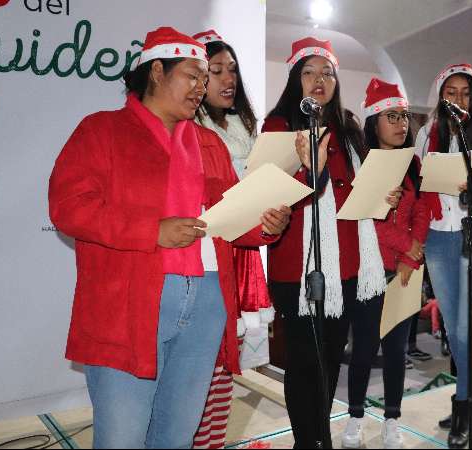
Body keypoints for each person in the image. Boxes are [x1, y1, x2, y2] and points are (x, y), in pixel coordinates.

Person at [48, 27, 291, 449]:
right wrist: (151, 230)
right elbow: (69, 207)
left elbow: (230, 218)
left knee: (178, 435)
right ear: (157, 71)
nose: (202, 87)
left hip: (207, 300)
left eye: (205, 78)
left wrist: (267, 222)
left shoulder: (208, 143)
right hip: (130, 302)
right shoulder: (101, 130)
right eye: (193, 76)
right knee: (121, 437)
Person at [262, 37, 401, 448]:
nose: (319, 80)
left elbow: (354, 194)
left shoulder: (349, 127)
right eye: (308, 72)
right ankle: (309, 442)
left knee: (329, 365)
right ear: (294, 79)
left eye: (327, 73)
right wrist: (310, 169)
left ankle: (319, 437)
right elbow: (275, 197)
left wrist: (381, 197)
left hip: (348, 267)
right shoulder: (279, 126)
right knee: (305, 366)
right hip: (297, 267)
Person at [190, 30, 275, 450]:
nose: (228, 79)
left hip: (244, 254)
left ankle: (214, 443)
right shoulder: (189, 129)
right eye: (214, 71)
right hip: (208, 256)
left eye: (232, 70)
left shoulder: (246, 126)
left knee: (227, 371)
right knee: (197, 372)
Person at [414, 63, 472, 449]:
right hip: (437, 237)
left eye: (465, 93)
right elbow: (416, 185)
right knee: (453, 328)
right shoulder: (424, 134)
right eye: (451, 92)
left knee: (468, 326)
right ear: (440, 96)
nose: (458, 99)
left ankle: (464, 404)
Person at [341, 78, 430, 450]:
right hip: (369, 272)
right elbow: (368, 222)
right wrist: (406, 244)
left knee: (396, 352)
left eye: (404, 117)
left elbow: (424, 208)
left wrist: (413, 252)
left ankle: (392, 419)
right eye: (391, 117)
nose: (401, 124)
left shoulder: (412, 161)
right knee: (363, 349)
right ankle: (356, 417)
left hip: (406, 270)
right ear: (373, 122)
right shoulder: (361, 164)